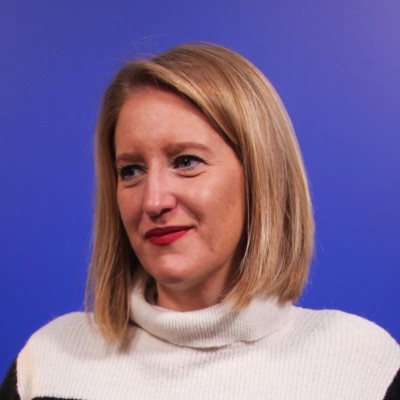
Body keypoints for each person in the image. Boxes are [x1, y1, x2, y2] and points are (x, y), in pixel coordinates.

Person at [1, 42, 399, 400]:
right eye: (131, 171)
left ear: (260, 177)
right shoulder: (49, 365)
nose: (153, 201)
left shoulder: (362, 368)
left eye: (186, 161)